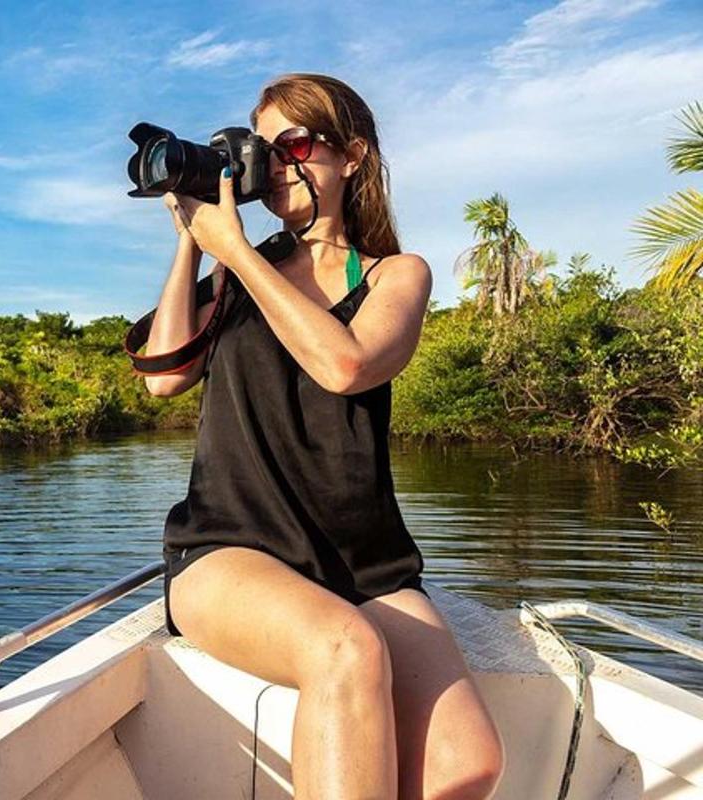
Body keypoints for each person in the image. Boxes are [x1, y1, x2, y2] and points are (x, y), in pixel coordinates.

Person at [144, 73, 506, 799]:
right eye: (266, 151)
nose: (278, 165)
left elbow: (348, 364)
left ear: (354, 156)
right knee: (343, 650)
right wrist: (195, 242)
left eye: (297, 145)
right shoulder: (240, 279)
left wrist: (241, 253)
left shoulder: (396, 275)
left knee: (467, 764)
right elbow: (163, 376)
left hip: (362, 564)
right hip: (230, 548)